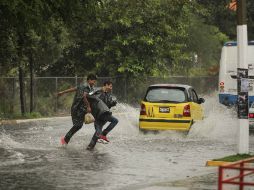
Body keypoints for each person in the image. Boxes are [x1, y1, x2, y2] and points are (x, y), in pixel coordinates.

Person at [57, 74, 97, 145]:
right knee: (78, 125)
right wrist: (88, 106)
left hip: (78, 108)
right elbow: (85, 96)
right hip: (79, 108)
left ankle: (66, 139)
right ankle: (65, 139)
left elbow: (74, 89)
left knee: (78, 125)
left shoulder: (84, 86)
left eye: (95, 81)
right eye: (93, 81)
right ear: (89, 80)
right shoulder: (86, 87)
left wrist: (63, 92)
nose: (94, 83)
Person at [87, 80, 118, 150]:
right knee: (115, 121)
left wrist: (113, 103)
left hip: (101, 115)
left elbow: (107, 105)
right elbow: (88, 94)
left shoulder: (108, 94)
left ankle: (90, 147)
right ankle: (104, 134)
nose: (111, 88)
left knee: (98, 132)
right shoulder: (98, 90)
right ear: (106, 85)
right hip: (99, 113)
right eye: (110, 86)